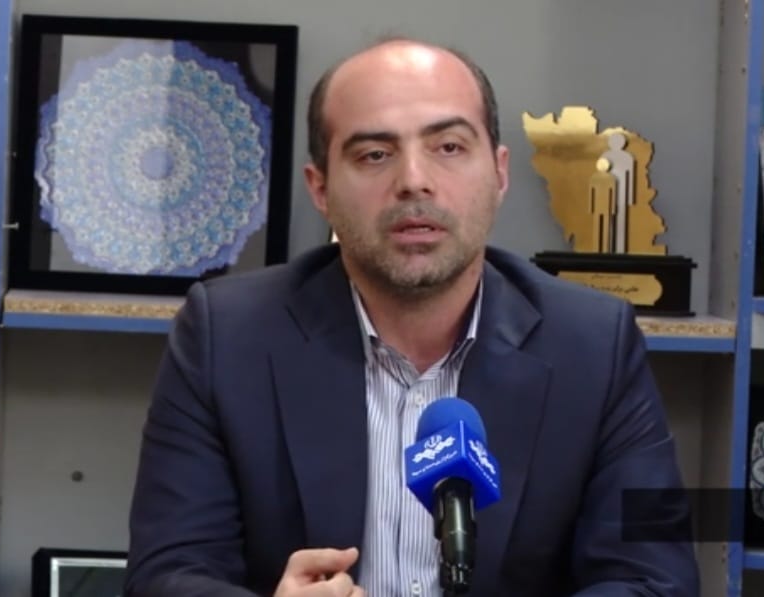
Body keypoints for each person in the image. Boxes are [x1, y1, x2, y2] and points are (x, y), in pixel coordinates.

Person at [124, 37, 699, 597]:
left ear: (499, 173)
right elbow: (166, 573)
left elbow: (656, 578)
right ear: (320, 188)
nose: (413, 181)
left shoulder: (595, 345)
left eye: (448, 147)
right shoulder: (226, 337)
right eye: (374, 155)